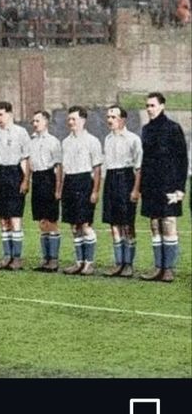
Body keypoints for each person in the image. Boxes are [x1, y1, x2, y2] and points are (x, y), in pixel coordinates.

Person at [139, 92, 188, 282]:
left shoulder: (173, 128)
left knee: (168, 224)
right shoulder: (146, 130)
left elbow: (182, 159)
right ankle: (158, 267)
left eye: (152, 105)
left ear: (162, 106)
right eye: (147, 106)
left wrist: (180, 188)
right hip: (151, 185)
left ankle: (168, 269)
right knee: (154, 225)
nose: (149, 109)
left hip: (169, 184)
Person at [60, 106, 103, 276]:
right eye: (69, 119)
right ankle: (79, 262)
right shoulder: (65, 142)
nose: (71, 122)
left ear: (83, 120)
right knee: (74, 226)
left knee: (85, 225)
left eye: (74, 119)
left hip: (85, 182)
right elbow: (63, 168)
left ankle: (89, 263)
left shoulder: (92, 141)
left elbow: (97, 169)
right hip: (70, 182)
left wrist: (95, 191)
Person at [102, 106, 142, 278]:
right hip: (111, 179)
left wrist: (135, 189)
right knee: (114, 223)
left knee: (127, 223)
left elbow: (139, 167)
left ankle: (128, 264)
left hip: (126, 178)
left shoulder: (133, 139)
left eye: (113, 117)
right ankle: (118, 263)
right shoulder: (108, 139)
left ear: (123, 119)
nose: (110, 120)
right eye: (108, 116)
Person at [0, 101, 31, 270]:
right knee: (3, 218)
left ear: (9, 114)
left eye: (1, 114)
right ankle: (7, 256)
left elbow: (27, 157)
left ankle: (17, 258)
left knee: (15, 217)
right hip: (0, 174)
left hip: (15, 174)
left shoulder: (20, 132)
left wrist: (25, 180)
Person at [28, 110, 63, 271]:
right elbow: (29, 164)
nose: (35, 124)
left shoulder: (54, 142)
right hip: (37, 179)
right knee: (42, 221)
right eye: (33, 121)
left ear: (46, 122)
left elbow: (58, 167)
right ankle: (45, 259)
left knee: (51, 220)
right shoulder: (32, 141)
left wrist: (57, 189)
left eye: (38, 121)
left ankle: (54, 260)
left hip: (49, 179)